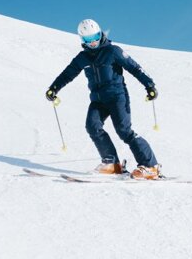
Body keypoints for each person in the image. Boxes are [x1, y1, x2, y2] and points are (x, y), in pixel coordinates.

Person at [44, 18, 162, 179]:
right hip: (98, 100)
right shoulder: (82, 58)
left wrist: (149, 85)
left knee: (124, 131)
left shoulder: (113, 51)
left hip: (117, 96)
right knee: (92, 126)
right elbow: (68, 73)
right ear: (82, 39)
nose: (92, 42)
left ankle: (150, 166)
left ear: (100, 34)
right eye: (87, 40)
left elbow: (135, 68)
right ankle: (111, 163)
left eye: (95, 37)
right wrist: (54, 88)